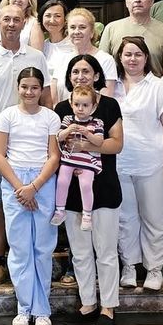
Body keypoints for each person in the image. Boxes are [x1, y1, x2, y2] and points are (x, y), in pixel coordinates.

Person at [0, 6, 50, 288]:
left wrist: (51, 139)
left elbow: (47, 100)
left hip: (33, 140)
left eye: (17, 19)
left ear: (24, 23)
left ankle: (31, 258)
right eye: (7, 19)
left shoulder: (36, 57)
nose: (12, 24)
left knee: (37, 198)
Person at [53, 54, 125, 325]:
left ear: (96, 75)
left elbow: (116, 144)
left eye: (86, 71)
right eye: (75, 72)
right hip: (72, 189)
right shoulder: (62, 108)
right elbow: (56, 145)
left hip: (103, 185)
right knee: (80, 252)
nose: (80, 76)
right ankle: (88, 302)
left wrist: (86, 147)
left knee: (105, 251)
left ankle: (108, 305)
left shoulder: (109, 105)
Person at [0, 68, 61, 325]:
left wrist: (35, 186)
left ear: (41, 89)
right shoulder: (8, 115)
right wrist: (21, 188)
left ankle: (42, 309)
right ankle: (24, 307)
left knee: (42, 247)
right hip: (15, 182)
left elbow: (54, 156)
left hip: (42, 180)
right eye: (24, 87)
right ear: (17, 87)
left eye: (34, 87)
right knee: (20, 248)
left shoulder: (50, 117)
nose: (29, 92)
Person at [112, 36, 163, 292]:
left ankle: (154, 269)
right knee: (125, 219)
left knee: (155, 218)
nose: (132, 59)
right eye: (128, 54)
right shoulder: (112, 86)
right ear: (120, 57)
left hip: (152, 163)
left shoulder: (158, 87)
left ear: (146, 58)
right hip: (119, 164)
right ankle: (129, 266)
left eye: (138, 54)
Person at [51, 87, 105, 228]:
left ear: (93, 107)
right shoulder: (68, 119)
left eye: (85, 105)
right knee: (62, 181)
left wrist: (87, 133)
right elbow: (59, 137)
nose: (80, 109)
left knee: (86, 185)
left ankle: (87, 215)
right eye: (77, 104)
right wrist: (68, 130)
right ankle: (60, 210)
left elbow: (99, 142)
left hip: (87, 161)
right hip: (69, 159)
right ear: (71, 104)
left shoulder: (97, 123)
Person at [99, 0, 163, 77]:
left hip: (155, 84)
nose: (137, 0)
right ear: (126, 2)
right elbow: (102, 65)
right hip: (118, 85)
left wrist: (160, 85)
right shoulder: (111, 29)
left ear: (151, 1)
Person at [50, 8, 119, 100]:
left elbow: (106, 99)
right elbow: (54, 99)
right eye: (72, 27)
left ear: (92, 32)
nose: (76, 32)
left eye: (82, 27)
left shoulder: (106, 60)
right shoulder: (62, 58)